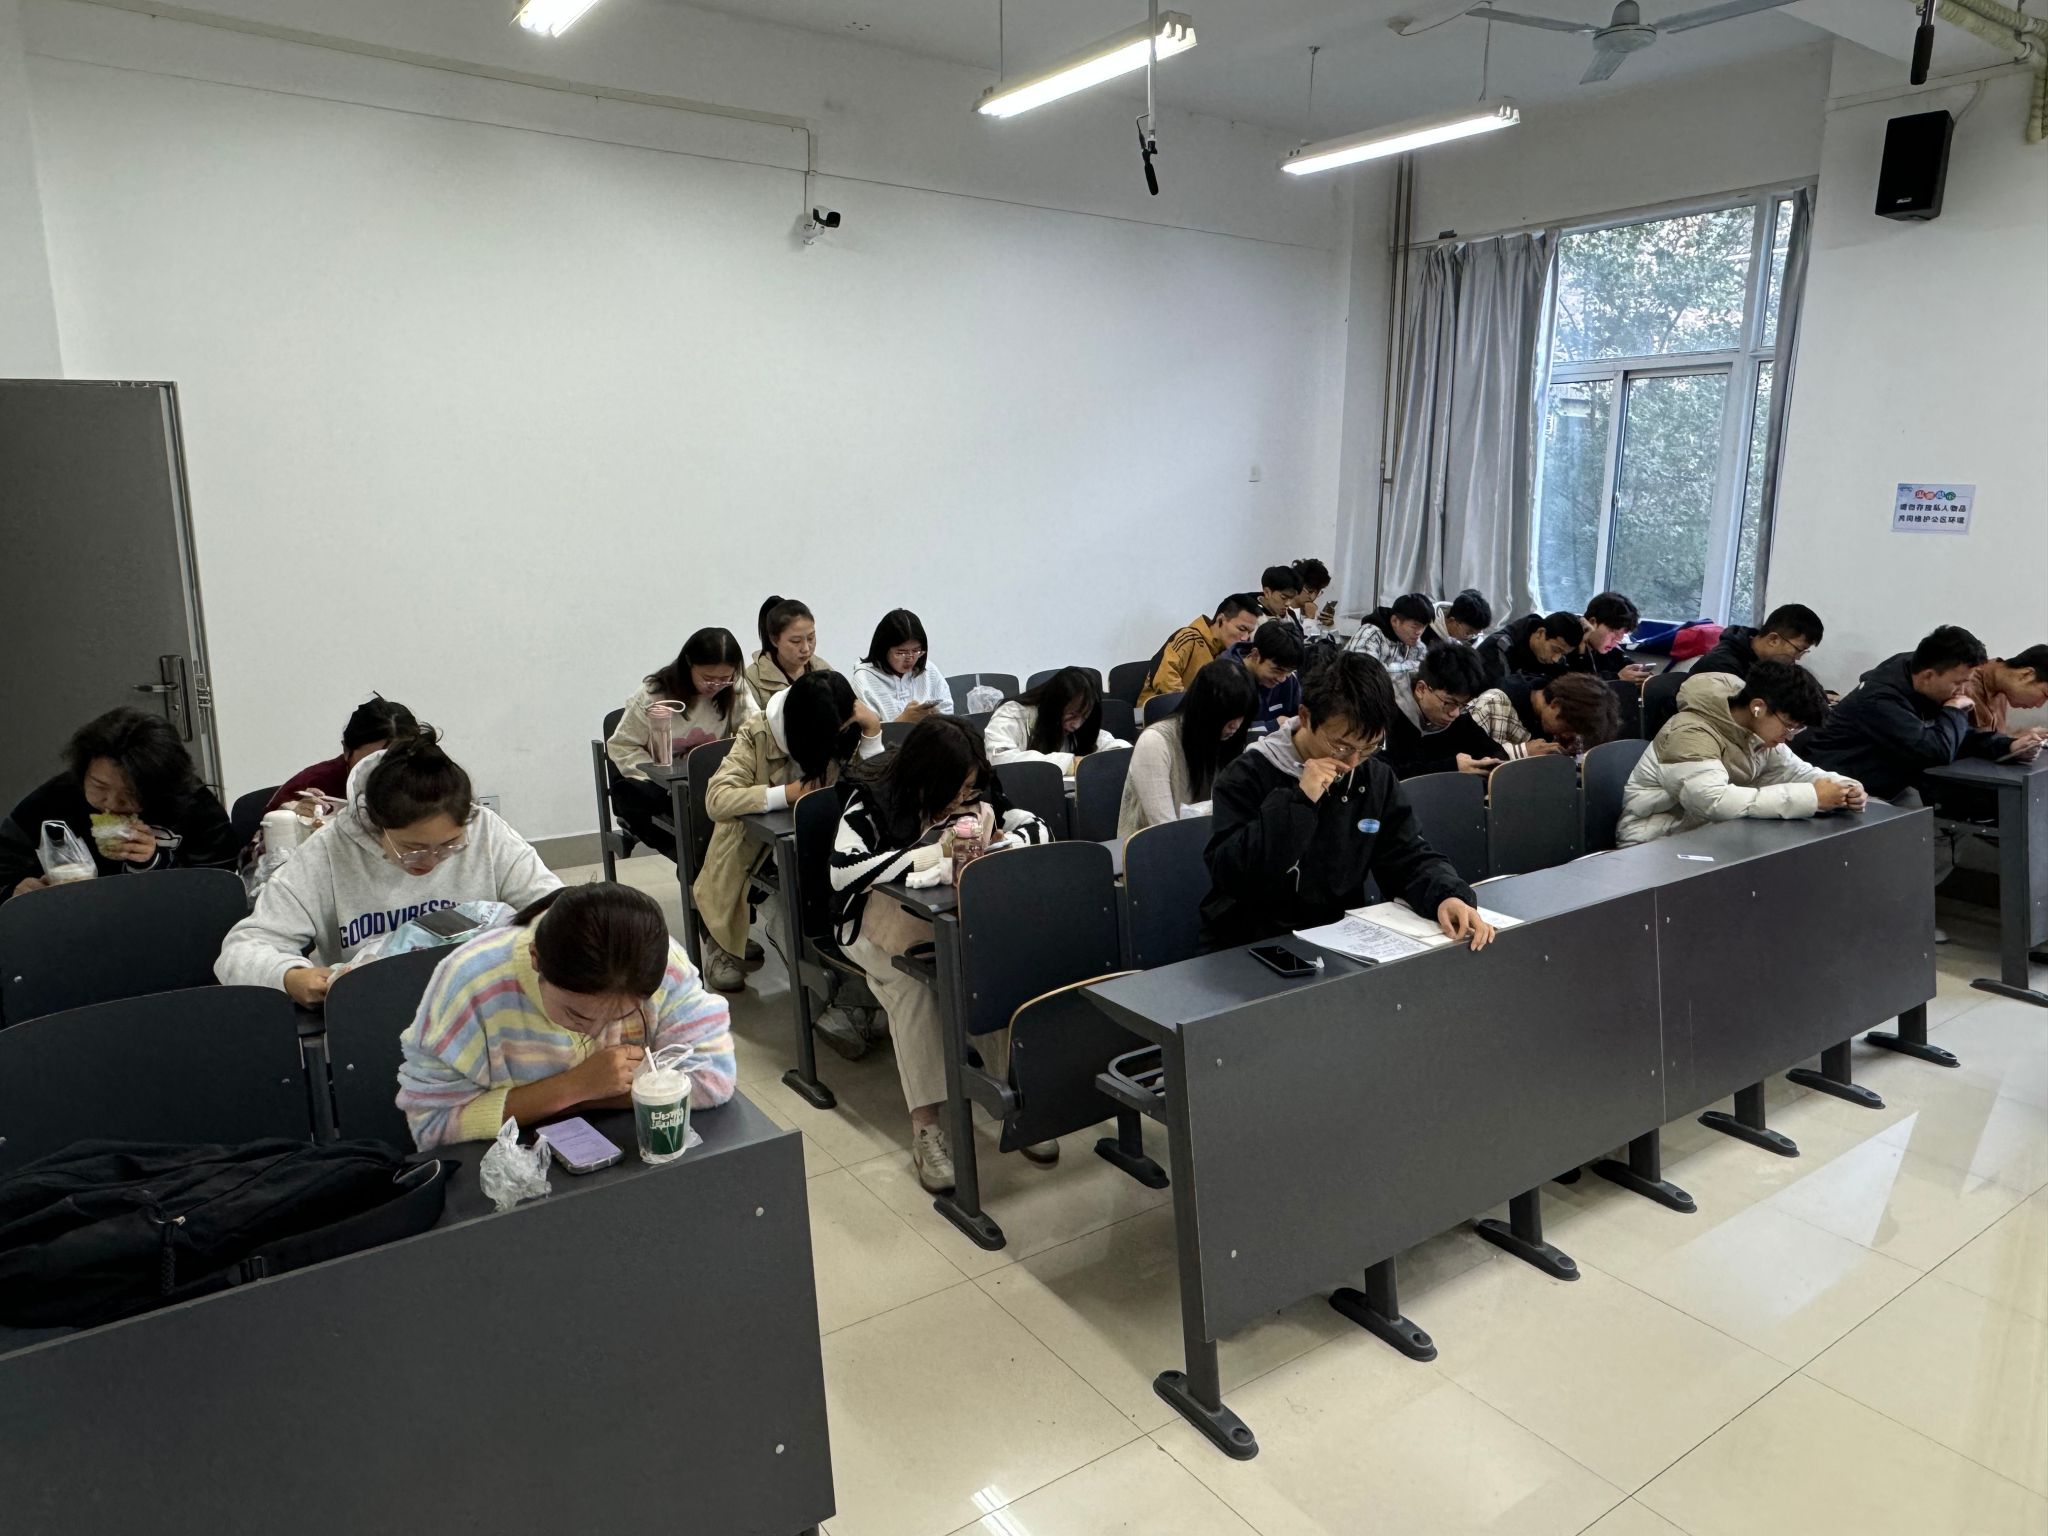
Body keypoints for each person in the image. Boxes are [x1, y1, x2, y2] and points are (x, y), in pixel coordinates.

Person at [828, 717, 1052, 1193]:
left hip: (951, 923)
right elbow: (844, 873)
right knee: (911, 987)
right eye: (956, 788)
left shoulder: (975, 792)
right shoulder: (872, 797)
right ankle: (927, 1128)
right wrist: (933, 856)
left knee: (995, 971)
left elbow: (1037, 827)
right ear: (927, 776)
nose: (963, 798)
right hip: (877, 928)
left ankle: (1013, 1099)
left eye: (970, 788)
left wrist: (1006, 845)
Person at [216, 731, 560, 1003]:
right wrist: (289, 975)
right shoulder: (328, 851)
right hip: (379, 1010)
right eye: (412, 849)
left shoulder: (487, 832)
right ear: (374, 826)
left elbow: (557, 909)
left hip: (482, 1003)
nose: (430, 860)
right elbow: (241, 950)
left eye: (449, 845)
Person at [395, 882, 736, 1151]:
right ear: (535, 960)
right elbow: (433, 1124)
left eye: (622, 1016)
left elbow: (713, 1077)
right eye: (576, 1015)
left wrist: (585, 1097)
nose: (596, 1033)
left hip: (619, 1150)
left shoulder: (661, 966)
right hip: (502, 1163)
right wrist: (575, 1087)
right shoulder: (470, 982)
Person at [1201, 652, 1494, 953]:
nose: (1352, 762)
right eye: (1341, 746)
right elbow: (1232, 876)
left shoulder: (1374, 777)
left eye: (1369, 747)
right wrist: (1300, 802)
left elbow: (1407, 854)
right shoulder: (1246, 775)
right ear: (1306, 717)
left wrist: (1446, 895)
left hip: (1338, 940)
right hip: (1251, 943)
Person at [694, 670, 883, 1004]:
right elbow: (717, 799)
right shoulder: (758, 733)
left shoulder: (844, 728)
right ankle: (826, 997)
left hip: (823, 849)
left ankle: (855, 992)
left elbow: (876, 794)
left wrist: (871, 733)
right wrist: (787, 793)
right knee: (792, 915)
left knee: (855, 904)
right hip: (757, 854)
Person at [1, 708, 237, 902]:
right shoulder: (57, 797)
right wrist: (14, 889)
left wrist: (156, 861)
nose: (112, 803)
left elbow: (218, 886)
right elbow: (6, 857)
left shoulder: (193, 804)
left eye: (130, 794)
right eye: (99, 787)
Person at [1617, 663, 1866, 846]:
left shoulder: (1757, 730)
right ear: (1758, 707)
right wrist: (1812, 797)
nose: (1790, 737)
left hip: (1710, 834)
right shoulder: (1690, 733)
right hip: (1655, 843)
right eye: (1789, 726)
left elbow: (1796, 771)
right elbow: (1713, 801)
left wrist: (1844, 788)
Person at [1800, 626, 2011, 804]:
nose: (1963, 691)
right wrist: (1955, 710)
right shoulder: (1880, 700)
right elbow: (1935, 751)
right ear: (1928, 676)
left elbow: (1948, 734)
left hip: (1886, 784)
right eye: (1958, 683)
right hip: (1843, 790)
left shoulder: (1920, 677)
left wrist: (2006, 745)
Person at [606, 628, 756, 858]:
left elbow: (753, 732)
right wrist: (656, 778)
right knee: (640, 799)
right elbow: (622, 746)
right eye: (708, 678)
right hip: (658, 784)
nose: (716, 685)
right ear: (689, 664)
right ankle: (693, 860)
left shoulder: (734, 688)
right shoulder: (654, 694)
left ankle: (700, 860)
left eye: (724, 679)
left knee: (720, 812)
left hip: (704, 783)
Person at [1118, 658, 1255, 839]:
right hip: (1156, 847)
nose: (1235, 726)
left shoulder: (1227, 739)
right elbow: (1165, 829)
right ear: (1205, 711)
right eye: (1228, 717)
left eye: (1241, 716)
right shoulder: (1155, 743)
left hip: (1208, 841)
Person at [263, 695, 418, 814]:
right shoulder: (314, 783)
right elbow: (259, 844)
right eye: (370, 762)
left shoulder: (424, 782)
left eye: (397, 761)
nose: (384, 774)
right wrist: (293, 823)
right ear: (347, 751)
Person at [1379, 644, 1502, 779]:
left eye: (1463, 705)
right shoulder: (1385, 713)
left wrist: (1489, 763)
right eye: (1448, 703)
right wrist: (1451, 768)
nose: (1454, 713)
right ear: (1421, 689)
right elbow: (1383, 774)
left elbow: (1492, 750)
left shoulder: (1460, 714)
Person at [987, 668, 1130, 773]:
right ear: (1054, 705)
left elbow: (1108, 743)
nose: (1077, 725)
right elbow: (1001, 760)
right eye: (1072, 715)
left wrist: (1116, 756)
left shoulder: (1080, 727)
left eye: (1084, 716)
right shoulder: (1012, 714)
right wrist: (1071, 764)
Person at [1137, 594, 1262, 706]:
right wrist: (1194, 707)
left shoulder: (1231, 655)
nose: (1245, 638)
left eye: (1249, 632)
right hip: (1159, 714)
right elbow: (1164, 679)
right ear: (1221, 620)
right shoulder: (1189, 638)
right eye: (1241, 629)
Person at [1467, 672, 1620, 759]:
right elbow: (1465, 762)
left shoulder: (1549, 716)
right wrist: (1522, 752)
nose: (1565, 735)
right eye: (1567, 728)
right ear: (1555, 704)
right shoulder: (1494, 704)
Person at [851, 609, 954, 724]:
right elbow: (864, 731)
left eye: (916, 651)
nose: (910, 658)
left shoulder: (929, 670)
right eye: (901, 653)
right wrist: (902, 722)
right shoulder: (864, 680)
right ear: (883, 649)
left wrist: (936, 719)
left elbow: (948, 711)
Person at [1688, 603, 1826, 682]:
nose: (1798, 658)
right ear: (1773, 640)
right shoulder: (1721, 668)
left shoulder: (1772, 662)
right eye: (1798, 650)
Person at [744, 595, 832, 709]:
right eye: (796, 641)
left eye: (811, 638)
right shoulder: (753, 679)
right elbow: (749, 719)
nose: (806, 648)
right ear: (774, 640)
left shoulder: (822, 669)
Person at [1226, 620, 1304, 733]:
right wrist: (1272, 726)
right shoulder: (1225, 680)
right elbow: (1220, 732)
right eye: (1277, 670)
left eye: (1289, 671)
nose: (1282, 679)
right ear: (1255, 655)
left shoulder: (1289, 679)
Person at [1960, 644, 2048, 745]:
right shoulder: (1962, 684)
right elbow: (1959, 747)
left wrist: (2018, 739)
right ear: (2027, 674)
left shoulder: (2003, 689)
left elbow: (1988, 744)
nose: (2039, 705)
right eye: (2045, 695)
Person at [1476, 610, 1585, 687]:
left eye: (1563, 654)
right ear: (1540, 633)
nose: (1555, 659)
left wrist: (1581, 653)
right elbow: (1497, 698)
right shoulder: (1498, 648)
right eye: (1555, 650)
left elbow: (1570, 689)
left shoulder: (1556, 649)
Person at [1566, 591, 1655, 684]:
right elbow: (1574, 682)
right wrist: (1617, 677)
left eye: (1623, 633)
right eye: (1613, 631)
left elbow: (1622, 661)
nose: (1618, 639)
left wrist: (1637, 673)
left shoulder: (1607, 648)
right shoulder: (1566, 644)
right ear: (1592, 622)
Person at [1349, 593, 1433, 675]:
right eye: (1414, 626)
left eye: (1423, 627)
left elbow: (1426, 668)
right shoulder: (1370, 635)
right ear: (1395, 621)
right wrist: (1413, 667)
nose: (1419, 632)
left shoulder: (1415, 642)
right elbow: (1364, 672)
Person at [1429, 589, 1494, 648]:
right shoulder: (1425, 630)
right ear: (1451, 621)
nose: (1470, 638)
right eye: (1468, 633)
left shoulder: (1474, 639)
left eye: (1475, 634)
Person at [1292, 557, 1337, 641]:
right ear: (1297, 585)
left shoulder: (1313, 612)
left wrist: (1329, 626)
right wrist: (1310, 619)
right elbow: (1305, 644)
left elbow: (1336, 644)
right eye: (1309, 591)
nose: (1312, 597)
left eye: (1317, 592)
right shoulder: (1285, 614)